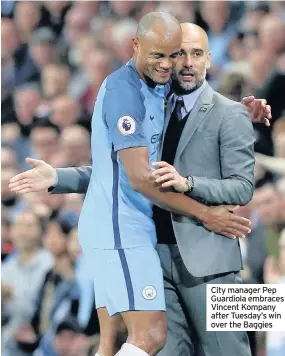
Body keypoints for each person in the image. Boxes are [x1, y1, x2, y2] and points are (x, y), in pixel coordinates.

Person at [9, 15, 271, 356]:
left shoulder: (231, 114)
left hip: (211, 258)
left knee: (230, 351)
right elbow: (126, 172)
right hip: (155, 252)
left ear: (210, 60)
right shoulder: (151, 96)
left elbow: (242, 188)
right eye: (180, 53)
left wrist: (191, 185)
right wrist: (62, 177)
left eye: (194, 53)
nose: (183, 62)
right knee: (155, 344)